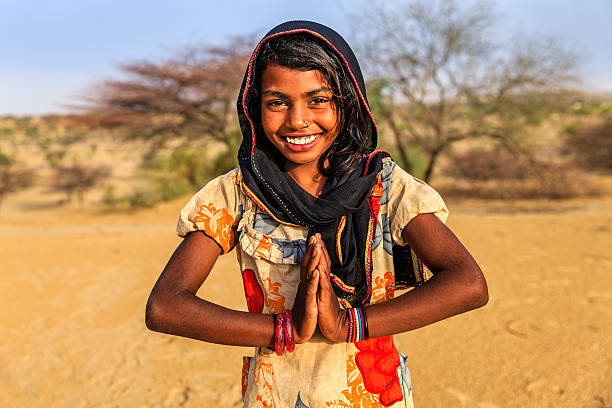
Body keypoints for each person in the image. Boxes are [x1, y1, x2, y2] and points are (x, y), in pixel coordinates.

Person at [145, 20, 488, 407]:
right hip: (272, 397)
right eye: (277, 102)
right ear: (254, 108)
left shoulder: (384, 187)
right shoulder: (236, 194)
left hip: (375, 397)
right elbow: (165, 306)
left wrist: (348, 324)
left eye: (318, 100)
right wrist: (284, 328)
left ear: (347, 100)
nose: (297, 120)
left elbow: (469, 284)